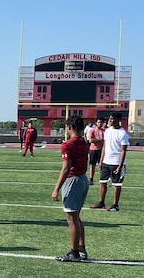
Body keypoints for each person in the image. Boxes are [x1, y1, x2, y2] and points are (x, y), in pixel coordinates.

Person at [52, 115, 90, 262]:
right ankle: (81, 249)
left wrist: (56, 189)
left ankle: (74, 253)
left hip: (73, 181)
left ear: (69, 127)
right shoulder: (84, 142)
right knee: (77, 217)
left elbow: (66, 168)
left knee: (72, 219)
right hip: (83, 179)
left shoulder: (68, 144)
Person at [90, 112, 128, 212]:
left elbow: (123, 150)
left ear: (118, 120)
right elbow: (105, 147)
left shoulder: (123, 133)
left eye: (112, 119)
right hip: (106, 161)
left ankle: (115, 205)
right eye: (110, 119)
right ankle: (101, 202)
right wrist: (101, 161)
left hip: (117, 163)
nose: (110, 121)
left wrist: (120, 166)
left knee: (117, 184)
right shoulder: (108, 131)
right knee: (102, 182)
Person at [87, 118, 105, 185]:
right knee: (92, 165)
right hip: (93, 150)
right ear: (96, 123)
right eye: (99, 122)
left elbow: (105, 140)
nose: (100, 124)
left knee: (102, 165)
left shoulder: (104, 131)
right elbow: (90, 140)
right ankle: (91, 179)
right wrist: (101, 140)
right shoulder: (92, 130)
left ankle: (103, 179)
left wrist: (96, 140)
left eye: (101, 122)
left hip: (101, 150)